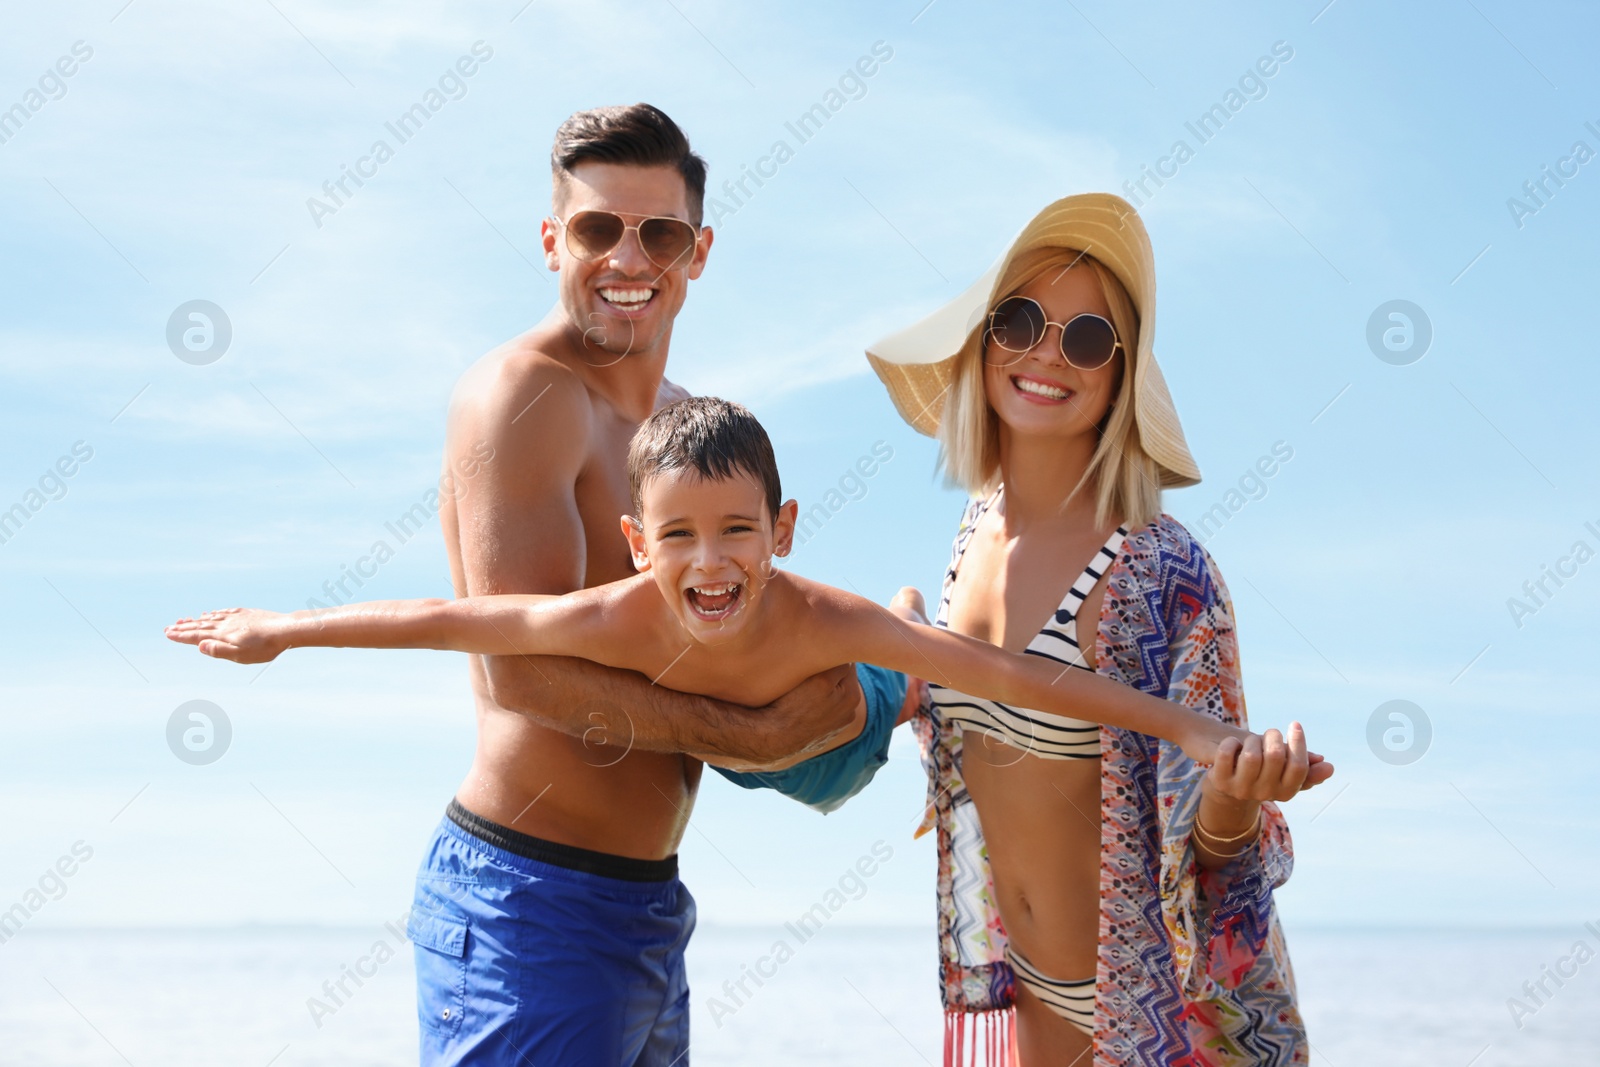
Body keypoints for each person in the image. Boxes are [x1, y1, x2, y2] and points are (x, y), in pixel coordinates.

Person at [285, 102, 883, 1066]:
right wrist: (756, 737)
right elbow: (516, 675)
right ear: (553, 240)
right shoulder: (521, 395)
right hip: (526, 902)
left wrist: (884, 694)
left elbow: (748, 623)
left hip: (646, 904)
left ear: (700, 251)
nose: (630, 258)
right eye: (600, 228)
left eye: (661, 233)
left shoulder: (691, 430)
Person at [866, 193, 1327, 1065]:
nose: (1047, 353)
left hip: (1166, 1012)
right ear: (985, 338)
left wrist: (1235, 794)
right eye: (1021, 320)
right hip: (1028, 994)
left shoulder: (1165, 574)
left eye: (1085, 339)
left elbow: (1217, 858)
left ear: (1121, 374)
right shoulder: (971, 534)